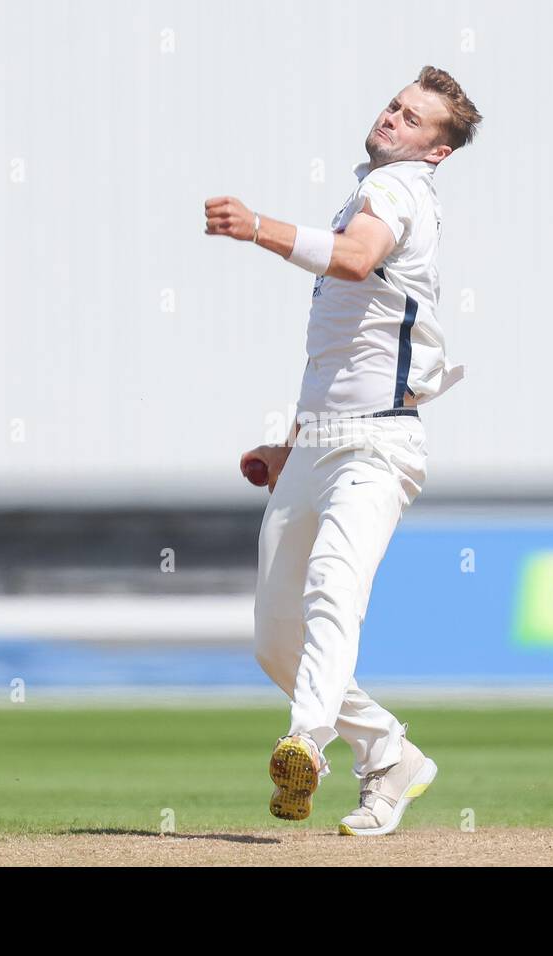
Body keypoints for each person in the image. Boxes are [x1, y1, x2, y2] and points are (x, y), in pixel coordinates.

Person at [204, 66, 481, 836]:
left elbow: (355, 259)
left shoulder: (397, 193)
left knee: (332, 589)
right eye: (394, 105)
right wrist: (287, 447)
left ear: (437, 151)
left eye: (413, 118)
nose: (392, 119)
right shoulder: (368, 189)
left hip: (380, 443)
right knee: (274, 639)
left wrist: (258, 226)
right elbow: (337, 357)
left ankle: (307, 745)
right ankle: (390, 755)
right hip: (320, 439)